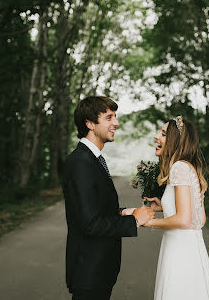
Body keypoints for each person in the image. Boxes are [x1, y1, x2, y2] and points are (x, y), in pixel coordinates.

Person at [61, 96, 155, 300]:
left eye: (115, 116)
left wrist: (122, 212)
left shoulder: (92, 159)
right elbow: (90, 224)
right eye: (109, 117)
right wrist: (134, 220)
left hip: (99, 271)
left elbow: (92, 209)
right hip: (89, 272)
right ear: (90, 124)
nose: (116, 123)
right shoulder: (80, 163)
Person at [144, 116, 209, 300]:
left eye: (163, 134)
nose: (156, 136)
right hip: (192, 249)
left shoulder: (179, 168)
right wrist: (166, 207)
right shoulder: (189, 167)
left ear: (174, 141)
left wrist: (148, 222)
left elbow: (184, 219)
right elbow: (199, 219)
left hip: (178, 252)